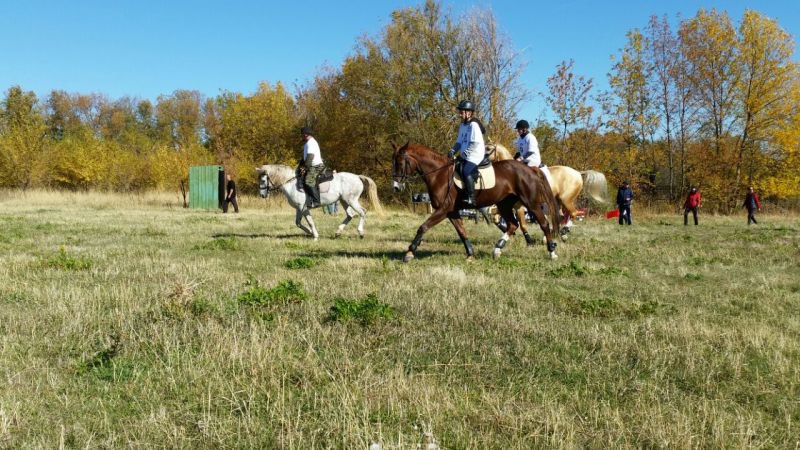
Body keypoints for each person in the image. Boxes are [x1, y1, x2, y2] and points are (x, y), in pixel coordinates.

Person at [447, 100, 485, 207]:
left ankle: (471, 198)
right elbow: (459, 142)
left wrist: (464, 154)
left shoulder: (474, 125)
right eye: (460, 112)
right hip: (466, 153)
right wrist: (453, 150)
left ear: (469, 113)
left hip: (475, 154)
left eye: (461, 112)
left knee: (466, 171)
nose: (459, 114)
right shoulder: (462, 126)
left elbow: (475, 143)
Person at [299, 126, 324, 208]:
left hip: (316, 166)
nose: (301, 136)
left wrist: (305, 168)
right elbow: (305, 158)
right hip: (311, 165)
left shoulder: (311, 143)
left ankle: (316, 202)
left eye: (302, 134)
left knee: (309, 181)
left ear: (306, 134)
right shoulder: (307, 143)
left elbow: (310, 157)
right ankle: (308, 201)